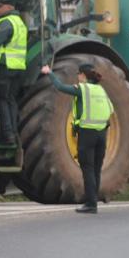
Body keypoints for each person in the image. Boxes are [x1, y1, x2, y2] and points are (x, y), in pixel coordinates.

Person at [40, 62, 111, 214]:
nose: (77, 77)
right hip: (102, 135)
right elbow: (109, 110)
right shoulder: (101, 90)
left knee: (88, 170)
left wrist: (49, 73)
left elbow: (60, 87)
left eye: (78, 74)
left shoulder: (83, 89)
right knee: (96, 170)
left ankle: (91, 204)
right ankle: (94, 201)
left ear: (83, 75)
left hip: (87, 135)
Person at [0, 0, 28, 145]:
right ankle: (15, 133)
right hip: (18, 67)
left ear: (9, 7)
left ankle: (7, 135)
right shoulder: (20, 23)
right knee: (11, 100)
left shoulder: (6, 22)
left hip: (5, 66)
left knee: (1, 100)